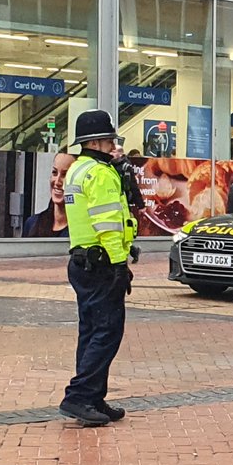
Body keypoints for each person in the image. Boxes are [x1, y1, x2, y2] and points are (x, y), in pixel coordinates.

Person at [59, 109, 138, 427]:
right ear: (98, 141)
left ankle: (93, 397)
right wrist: (120, 264)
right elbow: (107, 225)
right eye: (110, 141)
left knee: (90, 332)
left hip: (81, 261)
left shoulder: (77, 170)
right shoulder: (102, 174)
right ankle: (78, 397)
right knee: (108, 331)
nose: (114, 147)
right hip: (102, 262)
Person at [23, 152, 74, 238]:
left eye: (65, 175)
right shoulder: (32, 223)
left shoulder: (82, 229)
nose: (57, 182)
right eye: (54, 173)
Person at [110, 144, 146, 213]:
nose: (111, 154)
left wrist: (141, 205)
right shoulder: (108, 164)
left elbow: (133, 186)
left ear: (120, 154)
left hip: (124, 200)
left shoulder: (126, 167)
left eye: (113, 152)